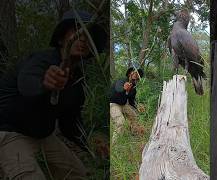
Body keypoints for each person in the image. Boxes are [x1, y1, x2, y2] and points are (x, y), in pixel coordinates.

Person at [0, 10, 106, 179]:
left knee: (78, 174)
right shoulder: (41, 60)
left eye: (89, 35)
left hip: (44, 136)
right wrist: (46, 83)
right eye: (77, 32)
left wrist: (91, 144)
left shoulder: (78, 81)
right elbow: (27, 84)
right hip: (11, 132)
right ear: (61, 38)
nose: (84, 39)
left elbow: (70, 123)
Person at [110, 67, 144, 143]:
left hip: (124, 105)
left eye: (137, 74)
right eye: (134, 72)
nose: (136, 74)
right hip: (114, 104)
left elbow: (132, 101)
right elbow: (118, 89)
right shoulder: (121, 81)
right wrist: (124, 88)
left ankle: (134, 135)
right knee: (120, 122)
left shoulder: (133, 88)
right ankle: (115, 144)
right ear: (129, 73)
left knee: (134, 117)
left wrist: (138, 106)